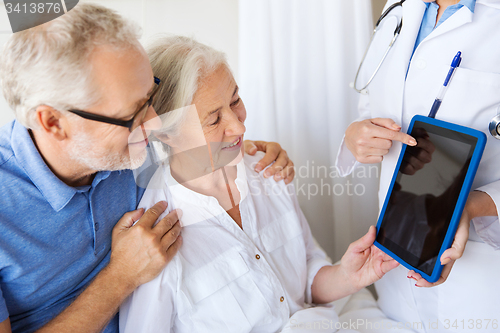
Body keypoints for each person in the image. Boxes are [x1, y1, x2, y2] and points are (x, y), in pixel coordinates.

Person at [0, 4, 295, 333]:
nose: (154, 124)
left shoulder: (129, 150)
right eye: (133, 114)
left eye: (150, 97)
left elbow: (197, 138)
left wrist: (253, 151)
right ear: (54, 123)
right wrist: (120, 278)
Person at [118, 36, 399, 333]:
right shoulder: (154, 239)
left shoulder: (268, 171)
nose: (239, 126)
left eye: (235, 101)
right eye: (214, 120)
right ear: (165, 134)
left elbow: (305, 276)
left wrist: (347, 275)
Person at [337, 0, 500, 330]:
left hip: (482, 276)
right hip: (394, 259)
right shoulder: (398, 8)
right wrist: (357, 135)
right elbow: (369, 101)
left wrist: (473, 205)